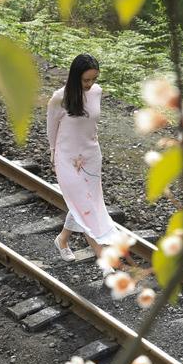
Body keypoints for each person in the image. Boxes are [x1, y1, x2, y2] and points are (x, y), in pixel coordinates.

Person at [46, 54, 118, 268]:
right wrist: (52, 152)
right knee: (86, 205)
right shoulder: (60, 98)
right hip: (67, 158)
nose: (90, 84)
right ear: (75, 76)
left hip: (91, 156)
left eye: (93, 79)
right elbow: (52, 129)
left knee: (85, 202)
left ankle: (63, 239)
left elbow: (91, 125)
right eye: (86, 80)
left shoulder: (97, 92)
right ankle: (104, 263)